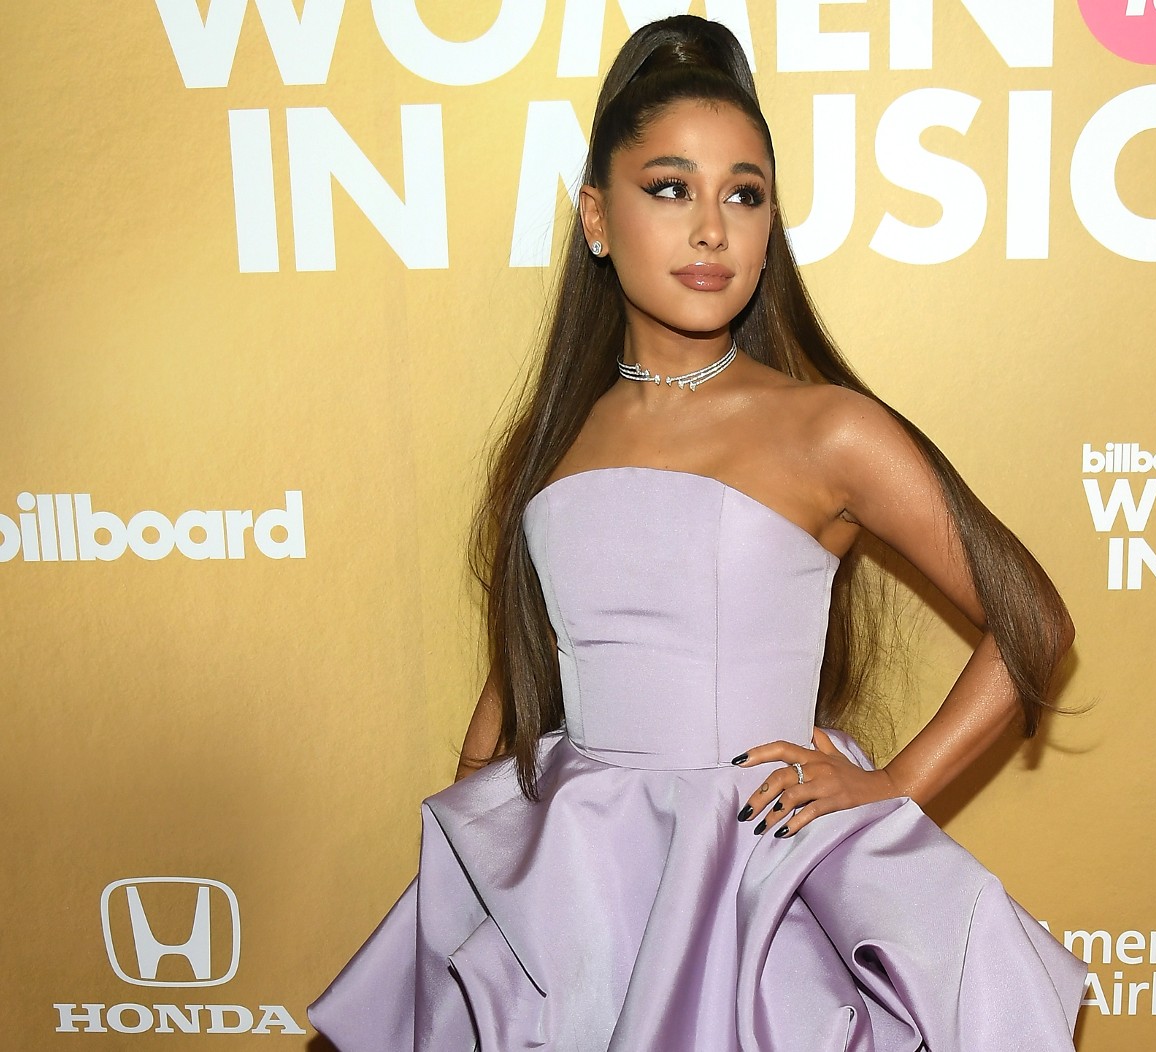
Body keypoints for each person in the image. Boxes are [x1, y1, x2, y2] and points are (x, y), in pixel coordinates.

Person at [309, 14, 1087, 1051]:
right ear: (597, 214)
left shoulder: (831, 428)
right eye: (670, 188)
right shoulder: (554, 441)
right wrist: (471, 877)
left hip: (748, 884)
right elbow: (513, 687)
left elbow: (1031, 621)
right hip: (572, 881)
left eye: (745, 194)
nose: (711, 228)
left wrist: (894, 785)